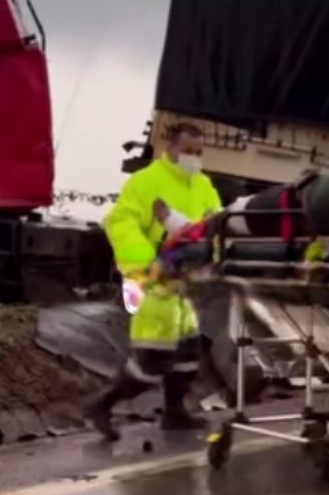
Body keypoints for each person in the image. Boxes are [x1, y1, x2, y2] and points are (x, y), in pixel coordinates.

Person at [83, 123, 224, 441]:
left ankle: (174, 413)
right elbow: (121, 223)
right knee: (153, 361)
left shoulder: (203, 185)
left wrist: (211, 263)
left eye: (199, 153)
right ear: (169, 148)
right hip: (156, 285)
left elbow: (214, 225)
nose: (193, 158)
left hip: (186, 287)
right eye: (188, 151)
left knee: (188, 353)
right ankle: (101, 404)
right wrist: (146, 265)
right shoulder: (145, 182)